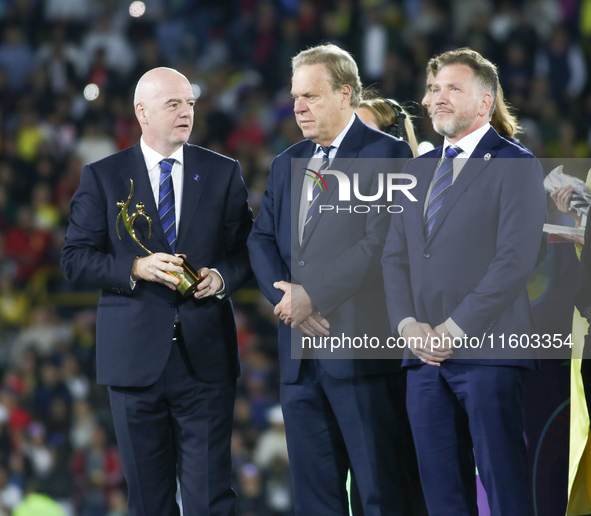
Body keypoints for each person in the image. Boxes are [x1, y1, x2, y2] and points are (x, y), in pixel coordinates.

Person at [61, 67, 253, 516]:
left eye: (189, 103)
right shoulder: (104, 176)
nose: (186, 112)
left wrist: (222, 278)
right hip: (133, 364)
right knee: (148, 502)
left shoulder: (223, 172)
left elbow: (248, 251)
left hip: (205, 361)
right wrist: (135, 267)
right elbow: (74, 259)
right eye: (174, 104)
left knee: (211, 500)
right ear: (141, 112)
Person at [247, 44, 417, 515]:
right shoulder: (286, 163)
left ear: (345, 94)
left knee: (381, 493)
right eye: (295, 96)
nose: (298, 107)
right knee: (314, 501)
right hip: (299, 360)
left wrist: (313, 296)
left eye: (311, 96)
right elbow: (261, 241)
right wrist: (289, 302)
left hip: (361, 353)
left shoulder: (390, 154)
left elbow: (380, 242)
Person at [381, 49, 546, 516]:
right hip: (422, 363)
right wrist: (408, 325)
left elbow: (515, 261)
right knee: (443, 498)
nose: (438, 98)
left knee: (507, 491)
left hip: (489, 354)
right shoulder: (416, 169)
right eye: (434, 88)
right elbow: (395, 257)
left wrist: (452, 330)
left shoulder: (515, 163)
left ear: (485, 102)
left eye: (453, 88)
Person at [422, 49, 523, 145]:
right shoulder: (430, 156)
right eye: (436, 90)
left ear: (484, 102)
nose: (426, 101)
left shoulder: (513, 158)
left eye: (454, 89)